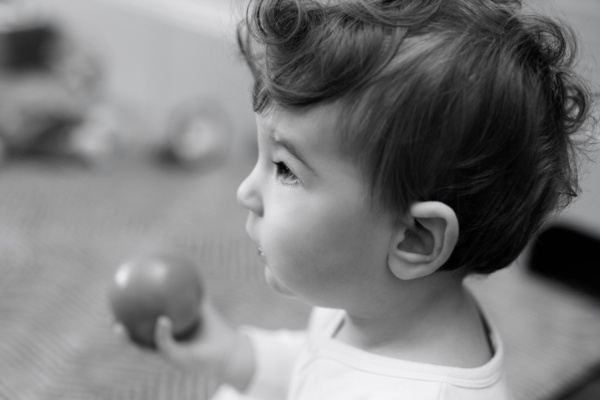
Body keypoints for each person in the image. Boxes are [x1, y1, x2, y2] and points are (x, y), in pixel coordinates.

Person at [128, 0, 594, 399]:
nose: (245, 191)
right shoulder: (374, 298)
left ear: (414, 239)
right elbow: (315, 365)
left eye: (285, 169)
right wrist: (233, 354)